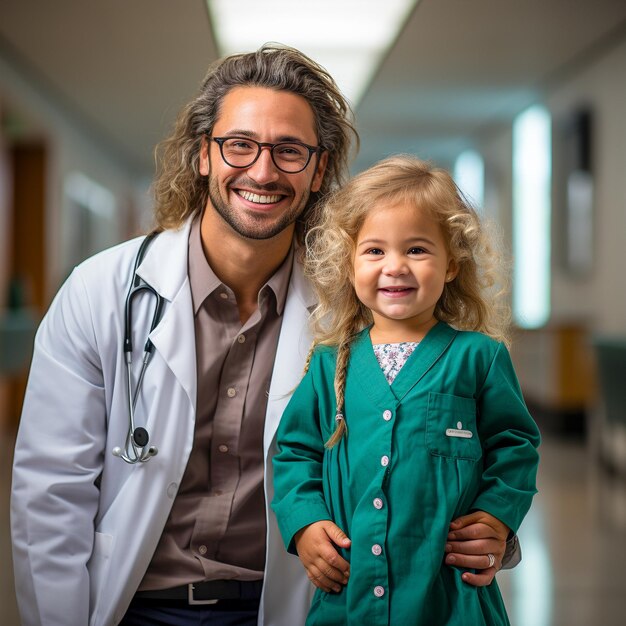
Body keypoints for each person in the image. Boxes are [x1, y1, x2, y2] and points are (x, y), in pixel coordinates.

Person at [11, 46, 520, 626]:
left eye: (289, 151)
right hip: (134, 604)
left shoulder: (362, 305)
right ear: (203, 155)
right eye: (240, 145)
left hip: (289, 605)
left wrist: (495, 529)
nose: (262, 170)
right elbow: (50, 493)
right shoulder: (101, 292)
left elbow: (441, 449)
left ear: (319, 169)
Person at [272, 155, 541, 625]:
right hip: (348, 598)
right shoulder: (328, 363)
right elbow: (294, 451)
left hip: (450, 598)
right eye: (374, 251)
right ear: (350, 263)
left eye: (416, 250)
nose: (394, 266)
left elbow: (515, 446)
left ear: (452, 264)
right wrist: (305, 522)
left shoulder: (478, 358)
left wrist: (497, 517)